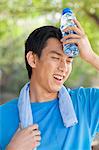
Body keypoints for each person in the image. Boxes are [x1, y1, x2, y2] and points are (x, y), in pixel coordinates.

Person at [0, 19, 99, 150]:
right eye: (56, 58)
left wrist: (91, 56)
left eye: (69, 61)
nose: (64, 68)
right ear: (33, 59)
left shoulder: (86, 104)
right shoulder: (3, 117)